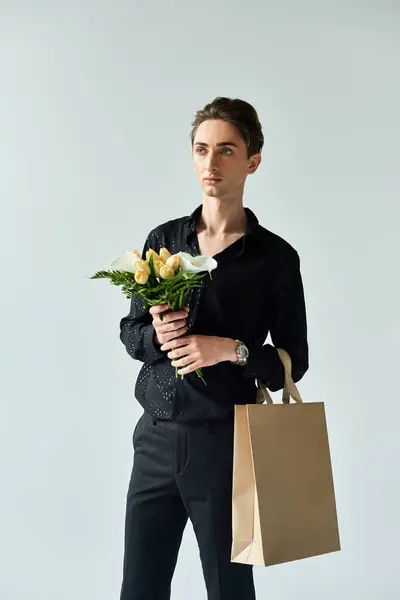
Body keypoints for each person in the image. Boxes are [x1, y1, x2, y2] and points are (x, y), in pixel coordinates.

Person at [118, 96, 309, 600]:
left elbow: (296, 360)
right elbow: (130, 332)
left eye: (226, 150)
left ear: (252, 162)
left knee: (227, 589)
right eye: (202, 149)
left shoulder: (275, 258)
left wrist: (230, 349)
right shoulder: (165, 239)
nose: (211, 162)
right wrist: (156, 336)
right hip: (154, 439)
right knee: (139, 588)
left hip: (225, 444)